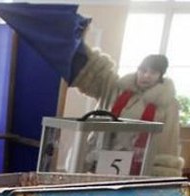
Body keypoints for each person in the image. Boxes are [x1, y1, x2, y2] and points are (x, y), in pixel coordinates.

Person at [71, 47, 183, 176]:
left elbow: (168, 140)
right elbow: (93, 73)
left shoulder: (168, 103)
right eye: (143, 70)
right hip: (99, 155)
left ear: (160, 76)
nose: (146, 75)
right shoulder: (117, 88)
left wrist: (161, 173)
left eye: (153, 72)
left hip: (136, 165)